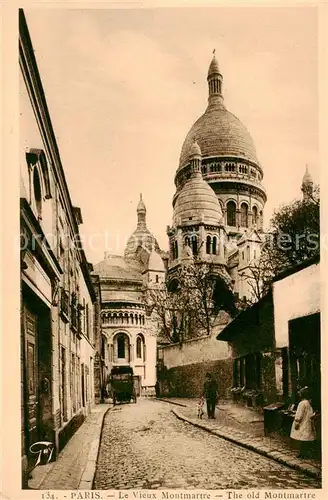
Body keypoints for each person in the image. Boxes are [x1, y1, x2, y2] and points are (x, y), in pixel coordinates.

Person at [290, 386, 317, 458]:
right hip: (307, 422)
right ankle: (304, 453)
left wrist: (297, 421)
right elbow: (310, 413)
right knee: (305, 439)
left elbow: (299, 414)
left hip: (302, 423)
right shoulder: (308, 403)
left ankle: (302, 453)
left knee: (302, 438)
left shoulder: (301, 403)